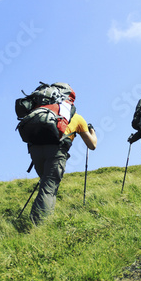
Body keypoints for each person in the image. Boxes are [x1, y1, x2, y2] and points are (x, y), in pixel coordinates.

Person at [28, 84, 97, 225]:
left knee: (46, 185)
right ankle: (38, 225)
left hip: (34, 149)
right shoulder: (77, 118)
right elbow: (92, 145)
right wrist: (92, 132)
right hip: (56, 151)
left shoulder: (40, 110)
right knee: (48, 187)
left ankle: (45, 218)